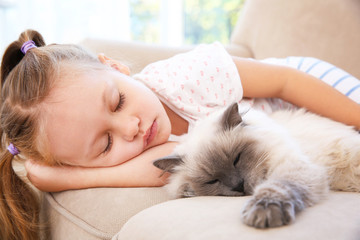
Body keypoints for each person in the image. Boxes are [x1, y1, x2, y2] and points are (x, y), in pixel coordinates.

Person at [1, 29, 359, 240]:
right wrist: (53, 173)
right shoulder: (153, 152)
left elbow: (284, 81)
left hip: (308, 88)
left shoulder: (191, 75)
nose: (132, 127)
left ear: (115, 67)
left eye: (118, 102)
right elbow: (158, 170)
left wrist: (355, 116)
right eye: (106, 143)